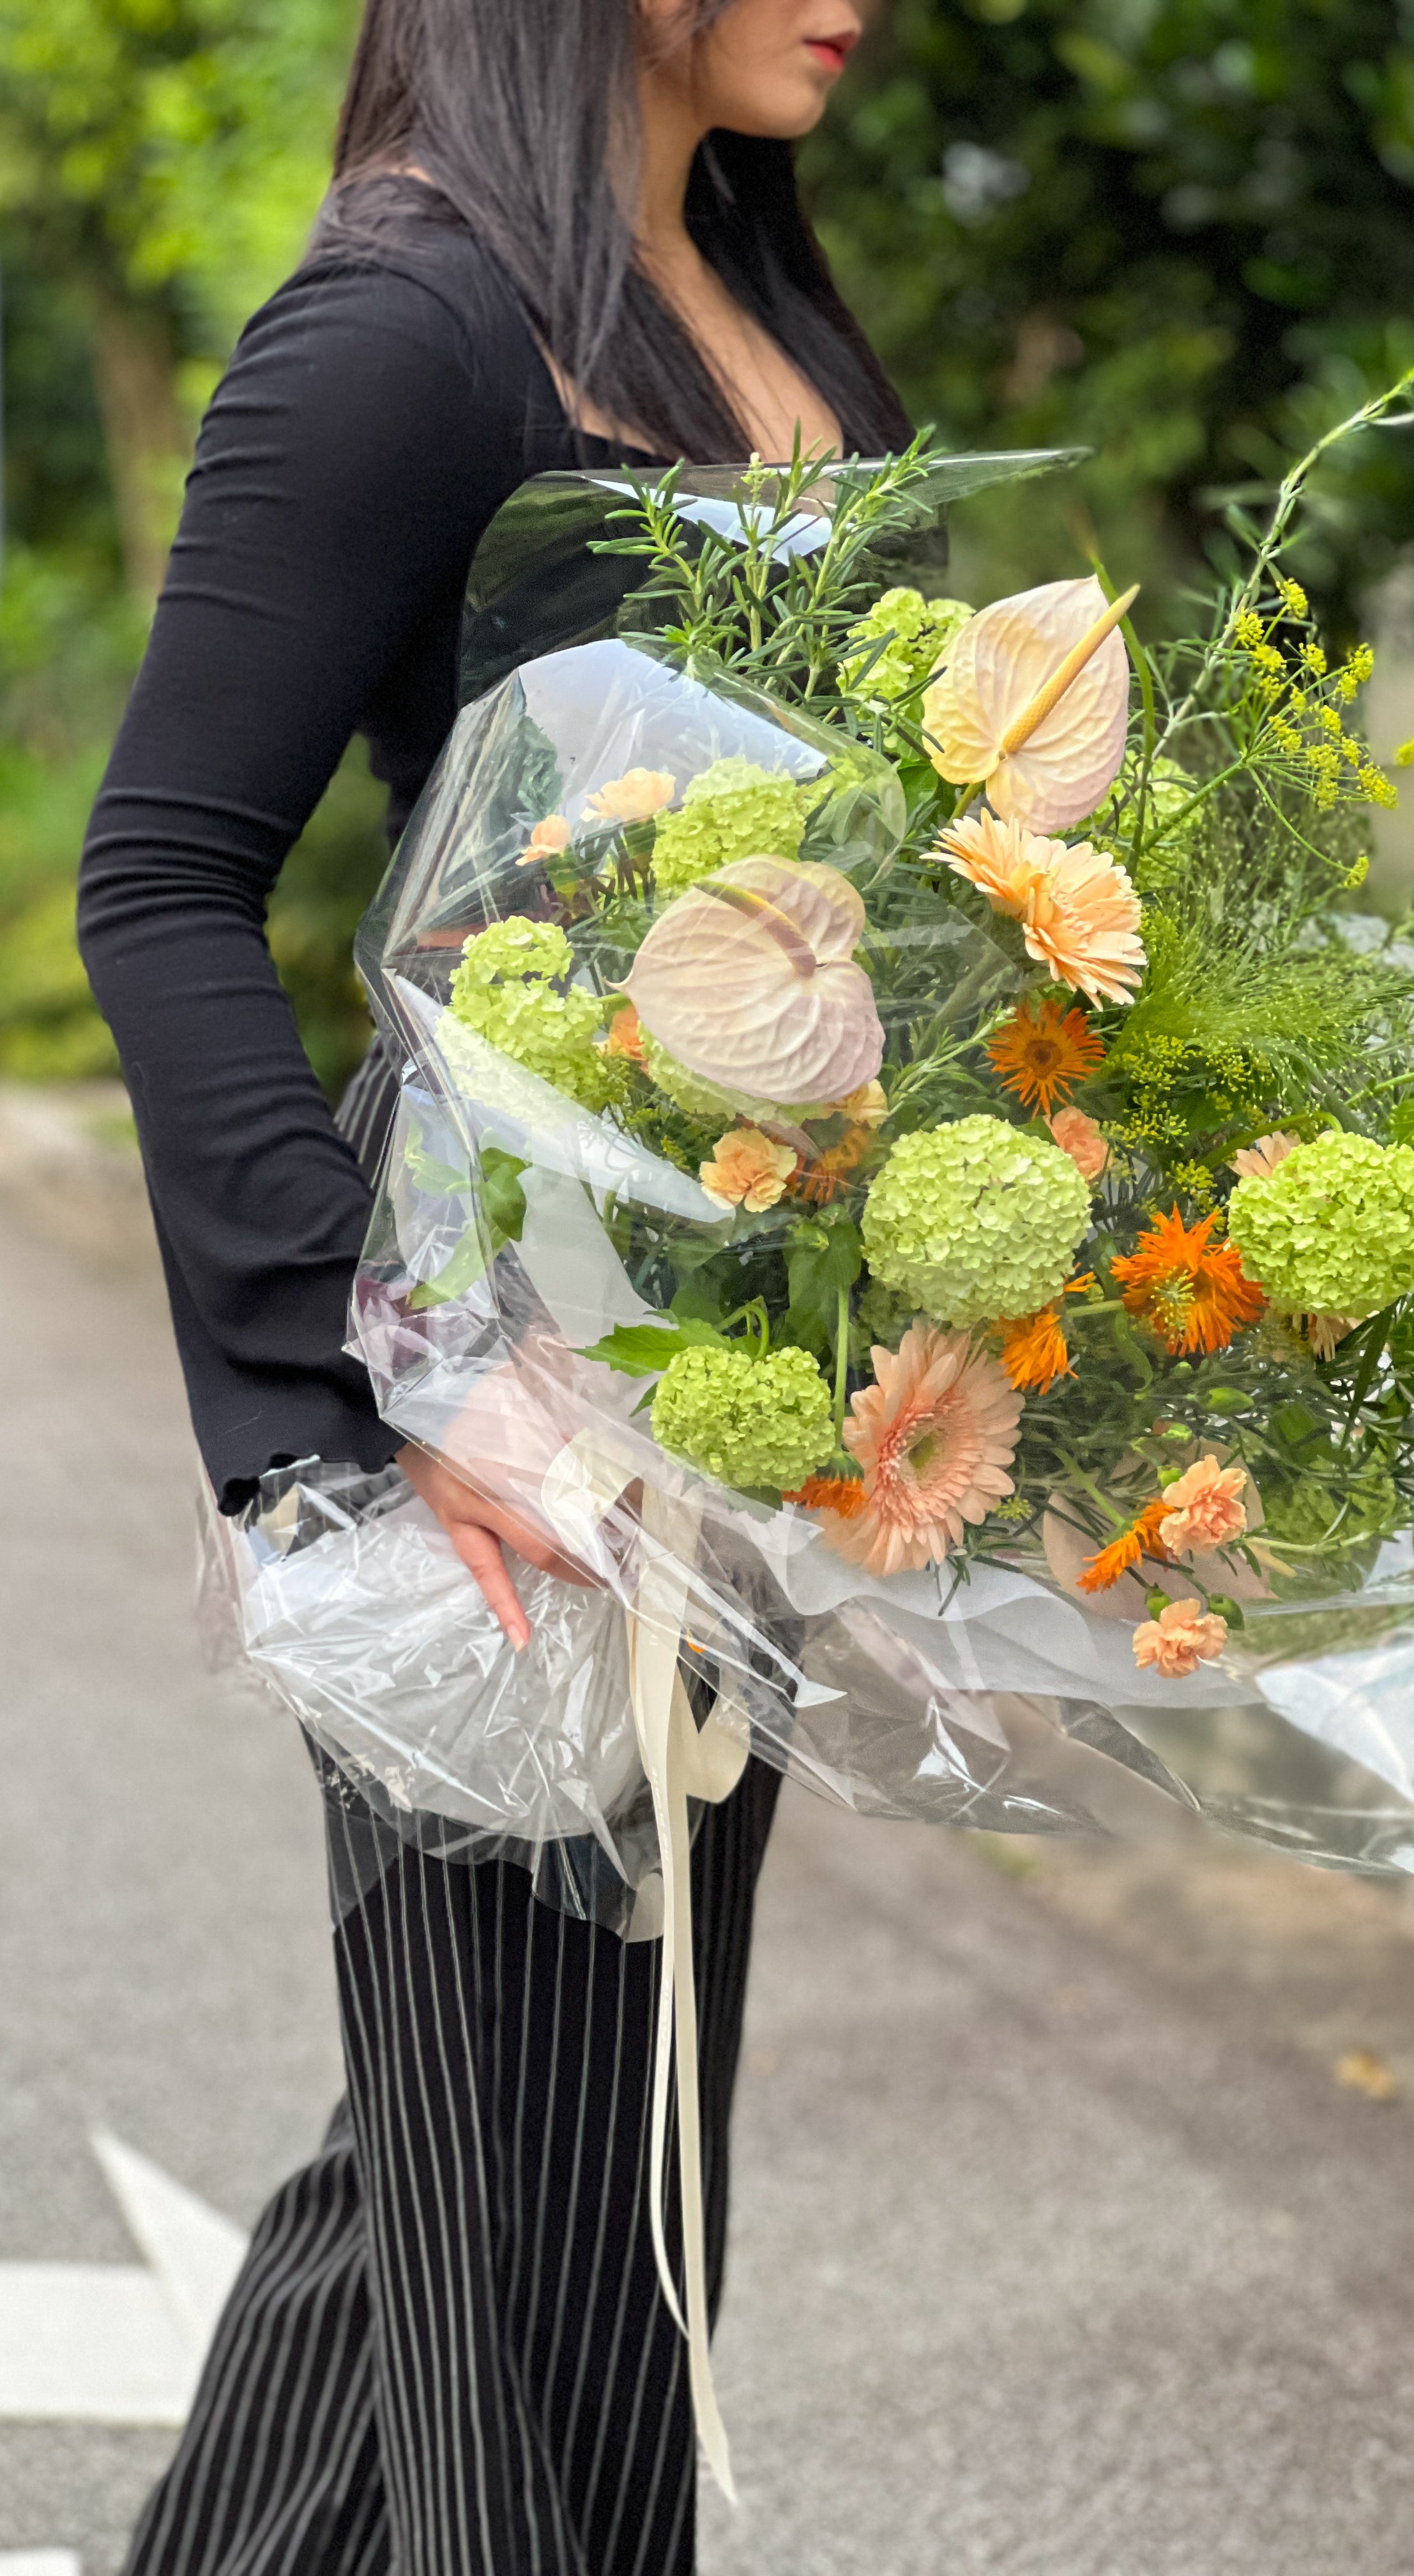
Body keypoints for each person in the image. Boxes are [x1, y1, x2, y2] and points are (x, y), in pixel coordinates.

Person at [77, 1, 912, 2568]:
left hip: (737, 1339)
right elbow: (160, 883)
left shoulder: (743, 289)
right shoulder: (412, 323)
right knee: (543, 2216)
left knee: (532, 2158)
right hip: (496, 1359)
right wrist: (392, 1377)